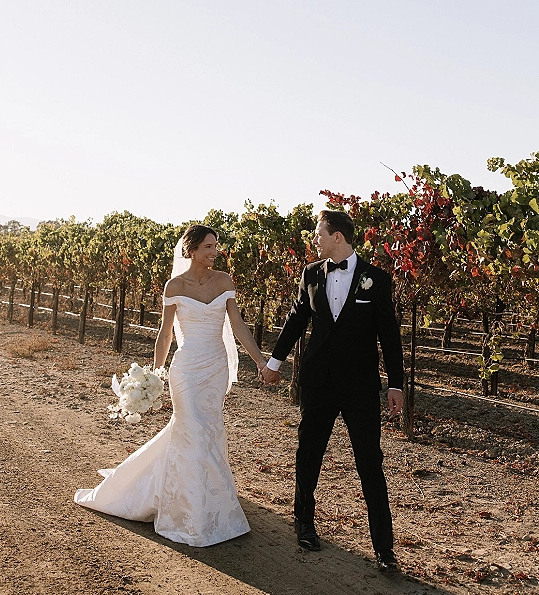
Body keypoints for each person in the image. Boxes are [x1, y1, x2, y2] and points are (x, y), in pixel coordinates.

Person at [75, 224, 268, 547]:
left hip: (214, 368)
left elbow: (237, 326)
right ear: (191, 250)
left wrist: (261, 361)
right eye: (208, 246)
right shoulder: (174, 285)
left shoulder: (224, 281)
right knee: (191, 428)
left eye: (215, 246)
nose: (214, 252)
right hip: (187, 369)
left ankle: (210, 504)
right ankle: (191, 514)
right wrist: (155, 373)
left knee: (208, 431)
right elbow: (166, 333)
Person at [260, 210, 404, 572]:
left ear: (337, 236)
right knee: (309, 453)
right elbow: (296, 319)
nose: (316, 240)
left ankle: (384, 549)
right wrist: (274, 363)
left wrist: (396, 384)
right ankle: (304, 525)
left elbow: (389, 336)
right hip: (319, 382)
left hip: (360, 387)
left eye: (319, 234)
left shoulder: (377, 279)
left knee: (370, 463)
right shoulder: (310, 274)